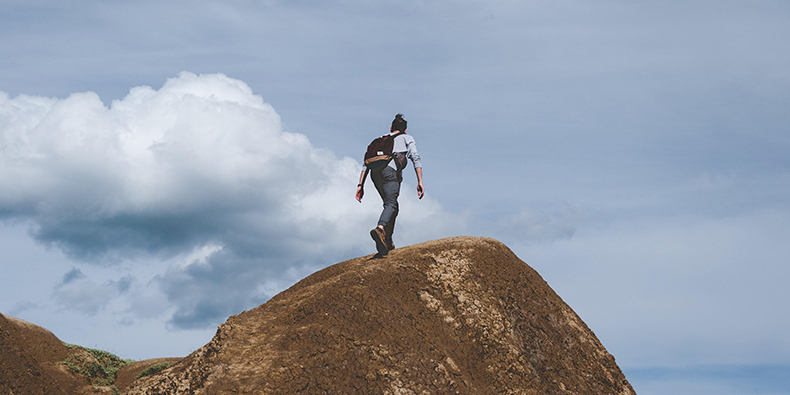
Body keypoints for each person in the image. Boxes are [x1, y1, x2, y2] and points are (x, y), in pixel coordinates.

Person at [356, 114, 424, 256]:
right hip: (390, 172)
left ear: (391, 128)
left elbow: (365, 162)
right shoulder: (407, 138)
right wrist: (420, 181)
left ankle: (387, 241)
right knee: (391, 204)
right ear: (405, 130)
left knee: (391, 205)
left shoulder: (381, 140)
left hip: (375, 174)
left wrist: (360, 185)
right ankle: (380, 229)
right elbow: (415, 157)